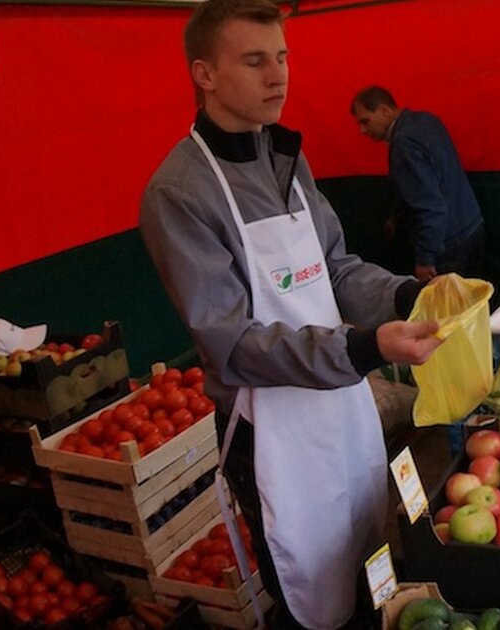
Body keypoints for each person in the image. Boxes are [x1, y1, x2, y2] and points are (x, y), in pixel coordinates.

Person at [138, 1, 444, 627]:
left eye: (281, 57)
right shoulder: (180, 192)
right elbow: (232, 342)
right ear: (205, 74)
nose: (278, 75)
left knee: (371, 543)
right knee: (311, 583)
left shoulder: (286, 159)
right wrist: (363, 348)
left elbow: (334, 268)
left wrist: (410, 297)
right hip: (269, 428)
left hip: (343, 408)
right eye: (254, 61)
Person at [351, 87, 485, 282]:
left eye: (365, 121)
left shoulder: (403, 144)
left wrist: (425, 259)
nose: (363, 130)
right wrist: (396, 215)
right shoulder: (426, 120)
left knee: (447, 311)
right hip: (472, 224)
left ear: (384, 110)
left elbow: (430, 206)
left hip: (447, 243)